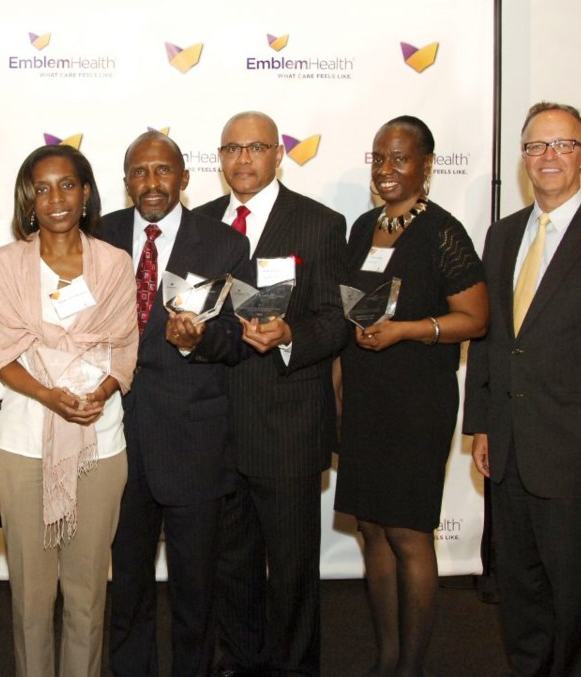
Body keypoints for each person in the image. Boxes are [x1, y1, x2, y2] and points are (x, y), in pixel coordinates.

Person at [464, 102, 581, 676]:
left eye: (563, 145)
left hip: (579, 455)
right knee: (521, 598)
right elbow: (488, 335)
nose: (548, 157)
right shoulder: (502, 235)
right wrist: (480, 421)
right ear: (523, 157)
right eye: (536, 146)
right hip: (508, 451)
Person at [0, 144, 138, 677]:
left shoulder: (114, 265)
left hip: (99, 445)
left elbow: (123, 347)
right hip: (23, 447)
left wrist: (103, 391)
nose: (56, 199)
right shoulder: (4, 265)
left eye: (67, 185)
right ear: (29, 200)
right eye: (42, 189)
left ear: (86, 192)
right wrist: (49, 396)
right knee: (30, 598)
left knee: (88, 594)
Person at [195, 111, 347, 676]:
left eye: (255, 147)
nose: (242, 160)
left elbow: (336, 321)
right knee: (230, 566)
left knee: (290, 571)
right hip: (216, 425)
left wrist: (290, 335)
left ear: (278, 154)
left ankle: (294, 667)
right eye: (230, 149)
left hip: (287, 424)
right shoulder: (202, 223)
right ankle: (241, 661)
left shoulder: (319, 223)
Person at [336, 115, 488, 677]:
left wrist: (408, 328)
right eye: (379, 158)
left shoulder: (442, 232)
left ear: (426, 165)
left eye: (400, 158)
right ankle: (387, 656)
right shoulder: (360, 227)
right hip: (365, 395)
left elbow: (476, 318)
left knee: (407, 531)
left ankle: (412, 667)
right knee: (372, 528)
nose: (386, 170)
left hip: (417, 399)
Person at [102, 131, 252, 677]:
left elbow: (238, 339)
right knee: (128, 587)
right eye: (139, 172)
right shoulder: (101, 236)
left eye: (162, 171)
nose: (151, 183)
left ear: (185, 178)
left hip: (193, 440)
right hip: (112, 436)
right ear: (126, 183)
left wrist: (198, 341)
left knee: (195, 593)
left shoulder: (223, 245)